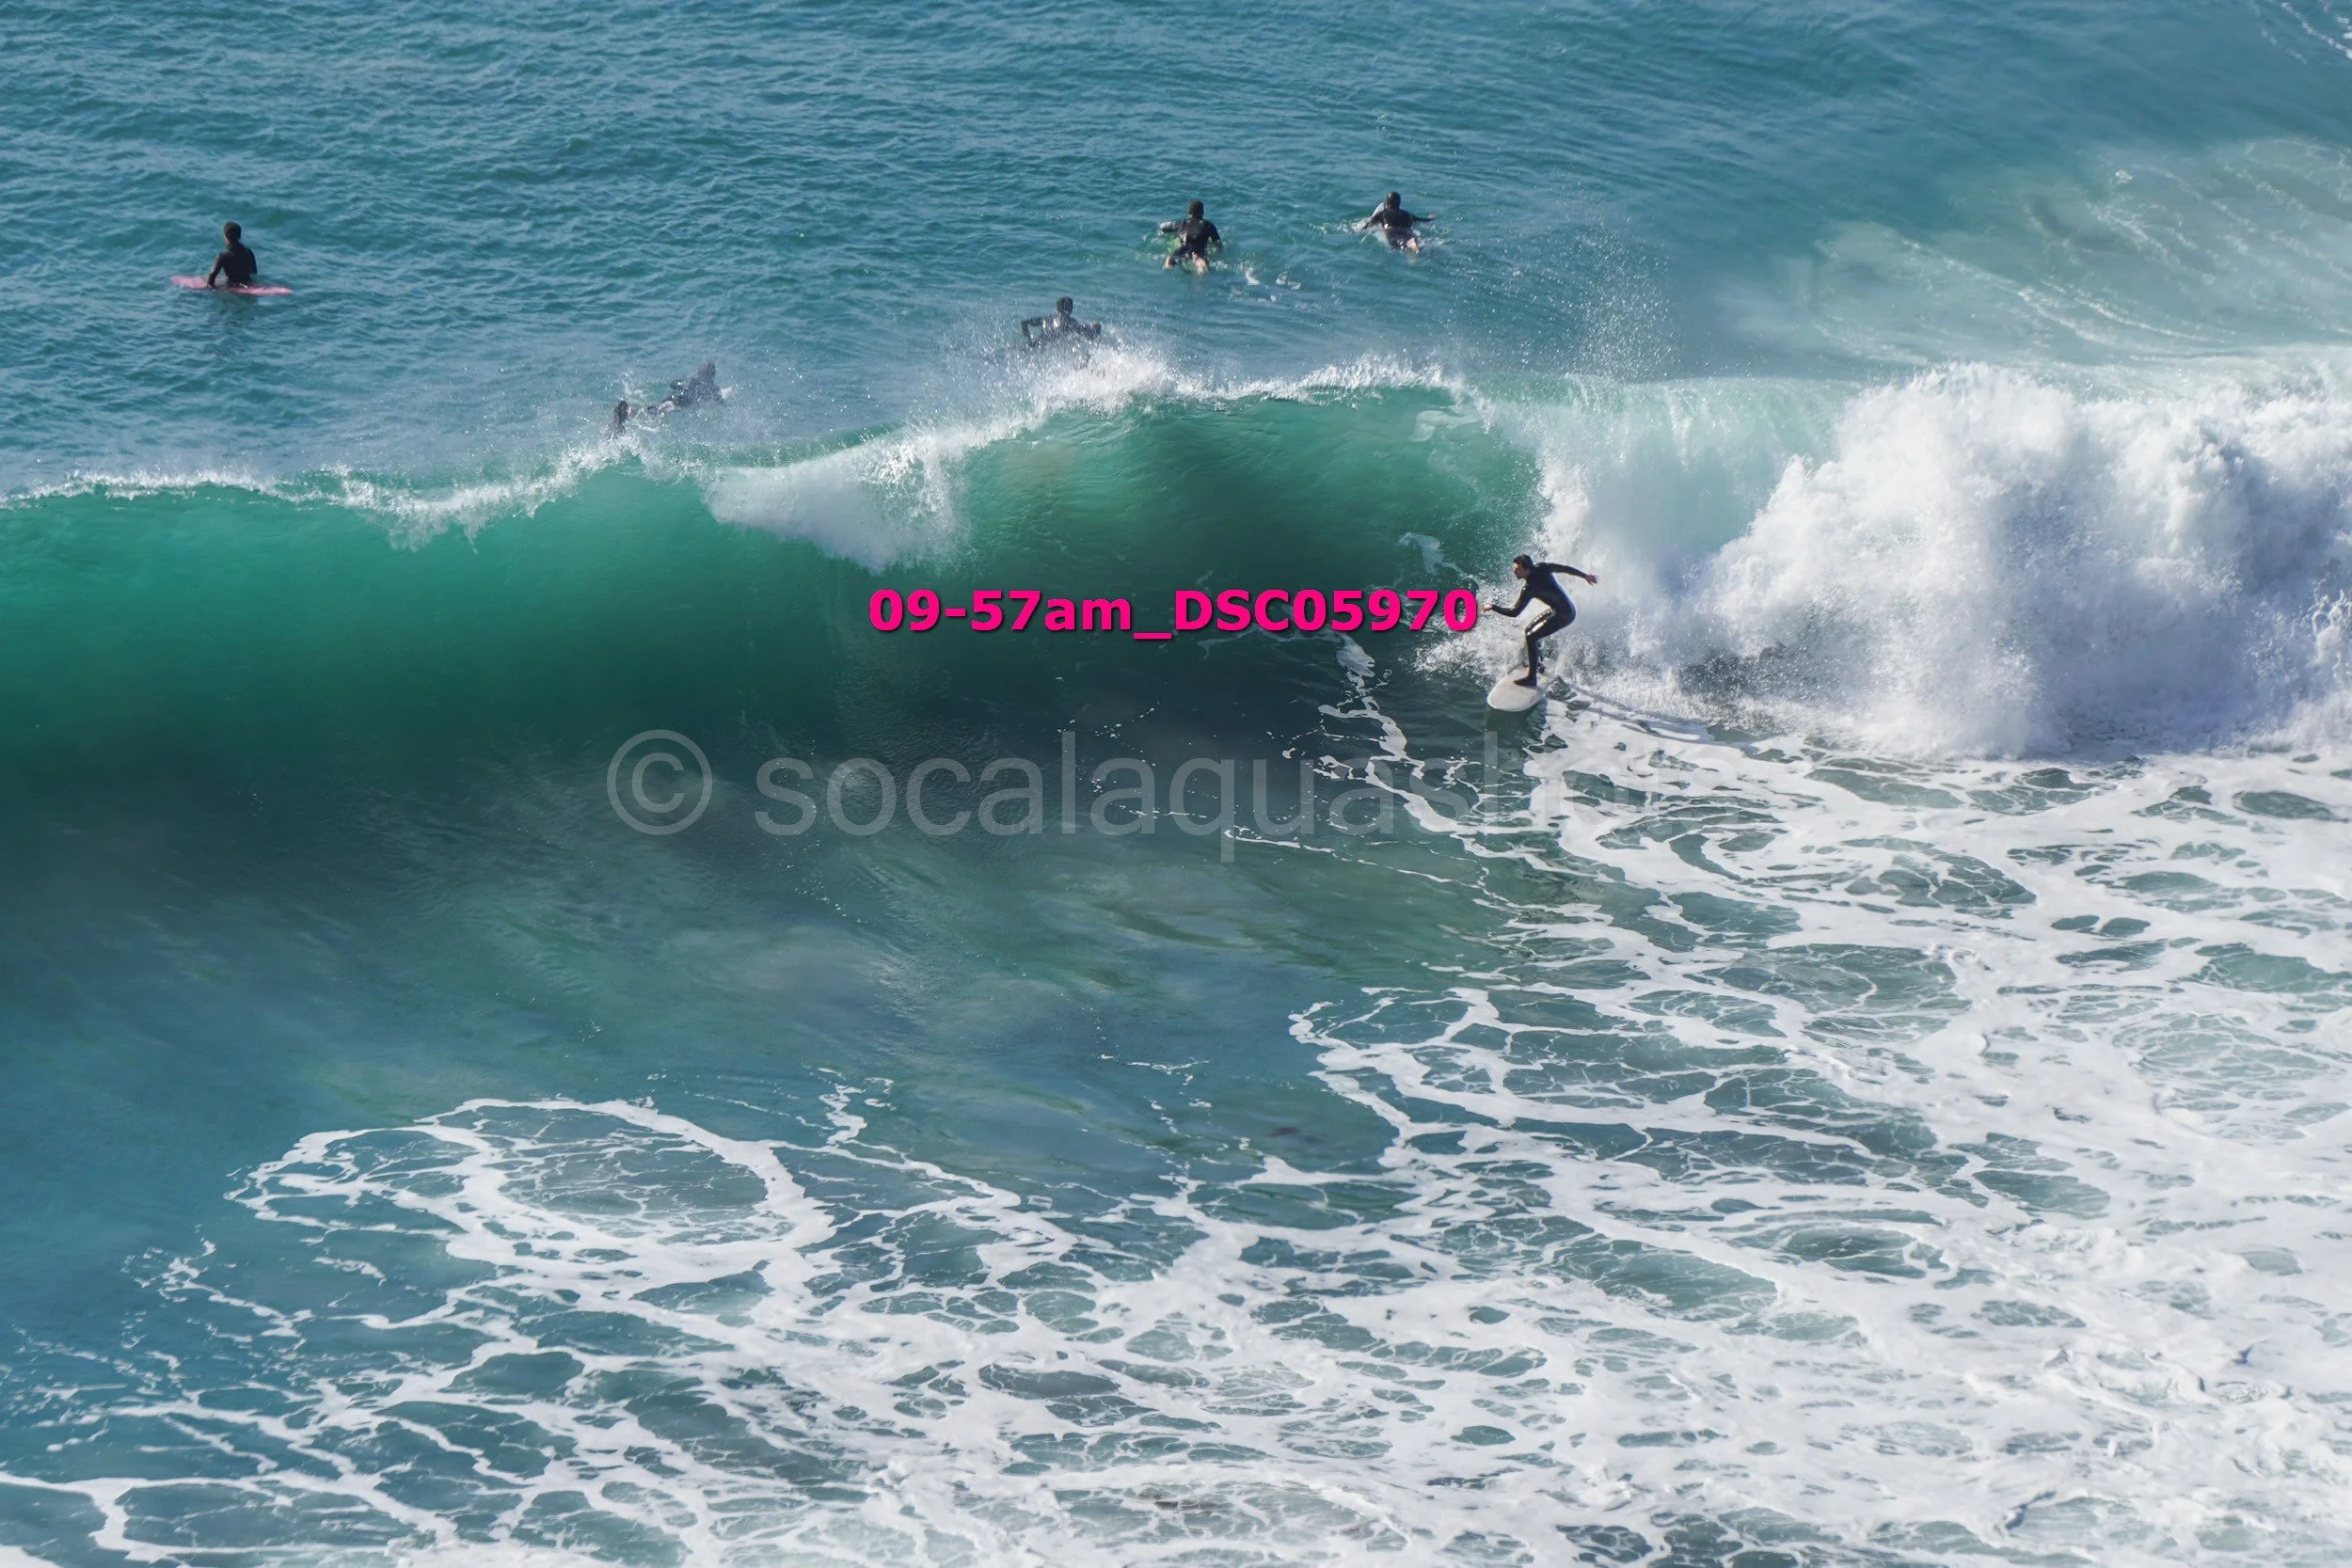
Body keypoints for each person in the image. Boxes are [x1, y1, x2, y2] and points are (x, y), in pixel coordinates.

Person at [1487, 554, 1598, 687]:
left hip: (1565, 615)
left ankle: (1532, 678)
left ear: (1526, 569)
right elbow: (1564, 568)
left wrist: (1493, 607)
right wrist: (1584, 576)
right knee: (1529, 630)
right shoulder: (1542, 568)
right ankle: (1539, 665)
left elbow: (1514, 612)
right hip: (1560, 610)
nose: (1514, 572)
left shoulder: (1529, 588)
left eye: (1517, 569)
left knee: (1531, 637)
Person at [1359, 192, 1431, 252]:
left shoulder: (1382, 213)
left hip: (1392, 232)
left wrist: (1360, 229)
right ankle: (1412, 242)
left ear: (1387, 203)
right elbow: (1421, 220)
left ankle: (1410, 244)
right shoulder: (1407, 214)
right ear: (1399, 203)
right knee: (1411, 239)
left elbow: (1369, 224)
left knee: (1398, 242)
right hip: (1407, 232)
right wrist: (1430, 218)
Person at [1159, 200, 1222, 271]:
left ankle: (1168, 263)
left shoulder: (1181, 223)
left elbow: (1163, 227)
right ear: (1202, 212)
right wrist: (1219, 251)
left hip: (1183, 246)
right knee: (1199, 260)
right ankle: (1201, 270)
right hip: (1197, 248)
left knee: (1173, 258)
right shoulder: (1208, 224)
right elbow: (1217, 242)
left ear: (1189, 212)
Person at [1021, 297, 1103, 351]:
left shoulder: (1046, 319)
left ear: (1057, 309)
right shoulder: (1072, 323)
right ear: (1071, 309)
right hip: (1050, 348)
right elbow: (1089, 335)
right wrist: (1096, 327)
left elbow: (1024, 323)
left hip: (1037, 345)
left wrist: (1029, 339)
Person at [652, 361, 719, 416]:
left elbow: (673, 384)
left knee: (657, 408)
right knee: (670, 409)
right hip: (685, 405)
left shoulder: (689, 381)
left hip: (674, 398)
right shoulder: (712, 388)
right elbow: (718, 399)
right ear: (712, 376)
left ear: (699, 373)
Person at [205, 221, 258, 288]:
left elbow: (211, 279)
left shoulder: (223, 256)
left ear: (225, 236)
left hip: (231, 285)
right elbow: (254, 272)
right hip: (248, 283)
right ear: (240, 236)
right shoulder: (249, 252)